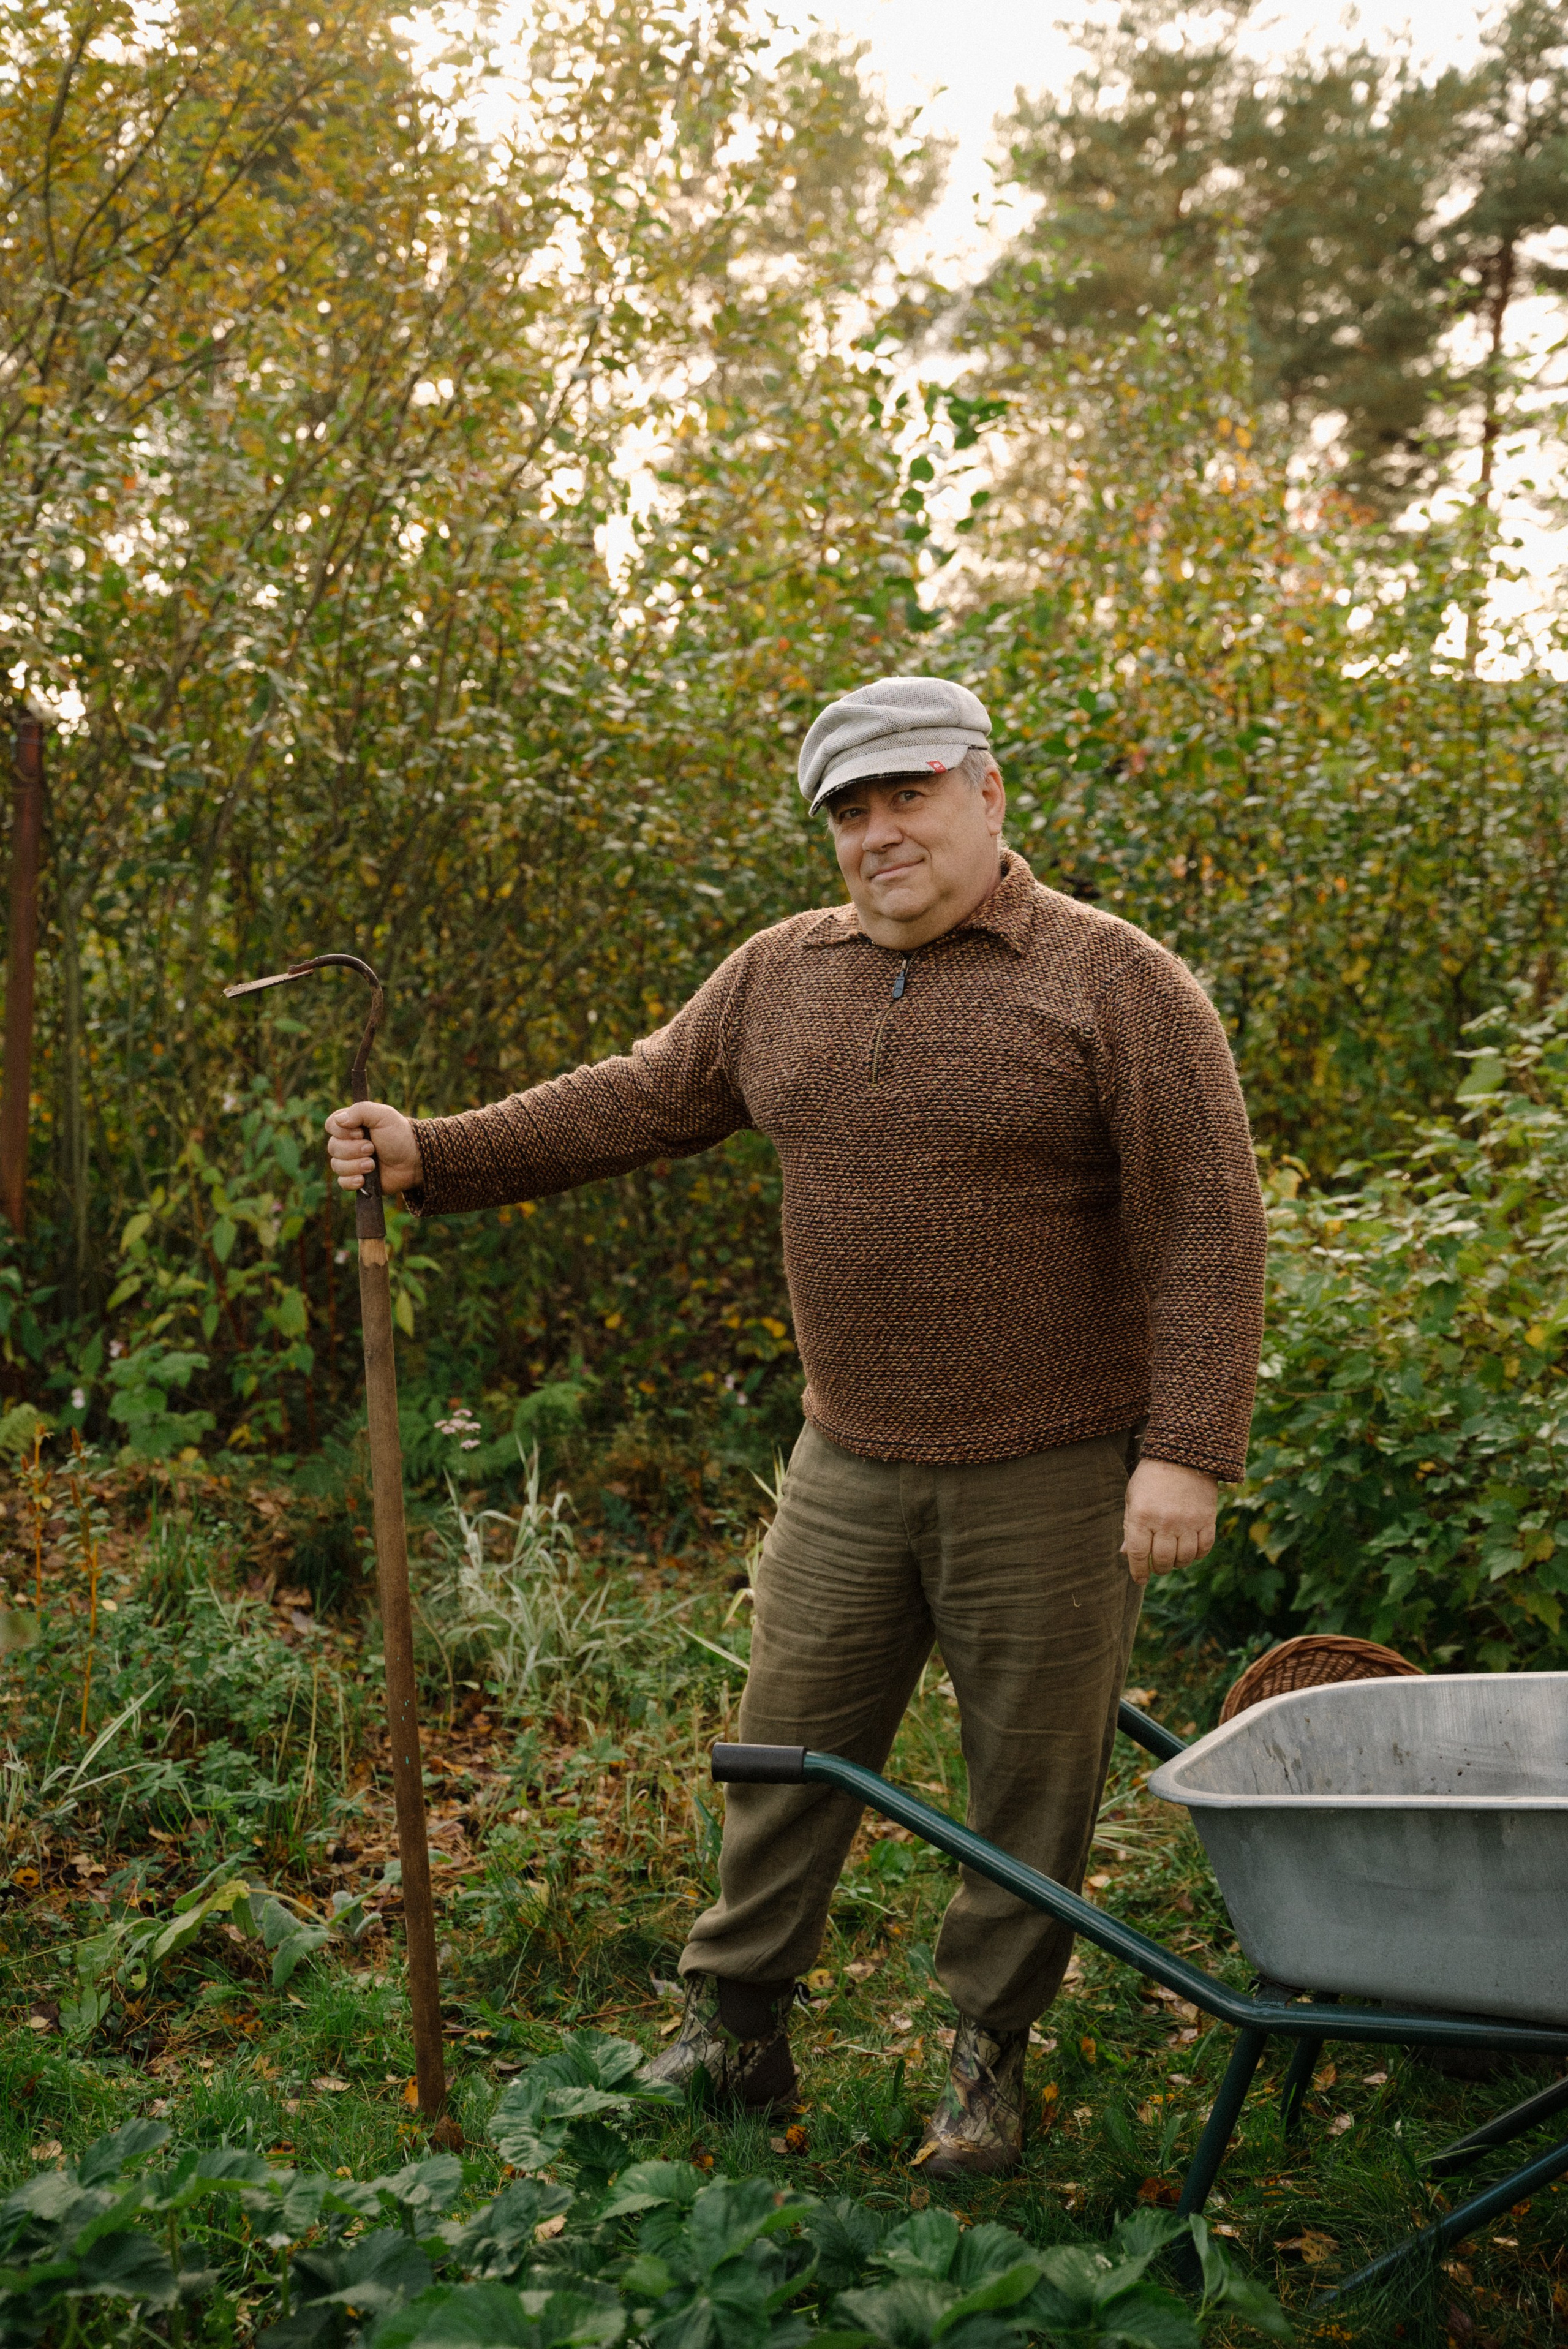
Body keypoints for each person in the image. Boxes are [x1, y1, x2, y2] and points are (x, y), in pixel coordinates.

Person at [325, 675, 1267, 2177]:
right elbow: (638, 1099)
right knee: (780, 1752)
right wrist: (439, 1151)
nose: (879, 833)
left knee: (1027, 1775)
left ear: (987, 793)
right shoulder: (780, 974)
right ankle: (736, 2023)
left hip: (1053, 1461)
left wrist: (1186, 1448)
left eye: (908, 796)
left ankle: (984, 2053)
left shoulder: (1114, 984)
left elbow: (1209, 1227)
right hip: (848, 1457)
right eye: (850, 810)